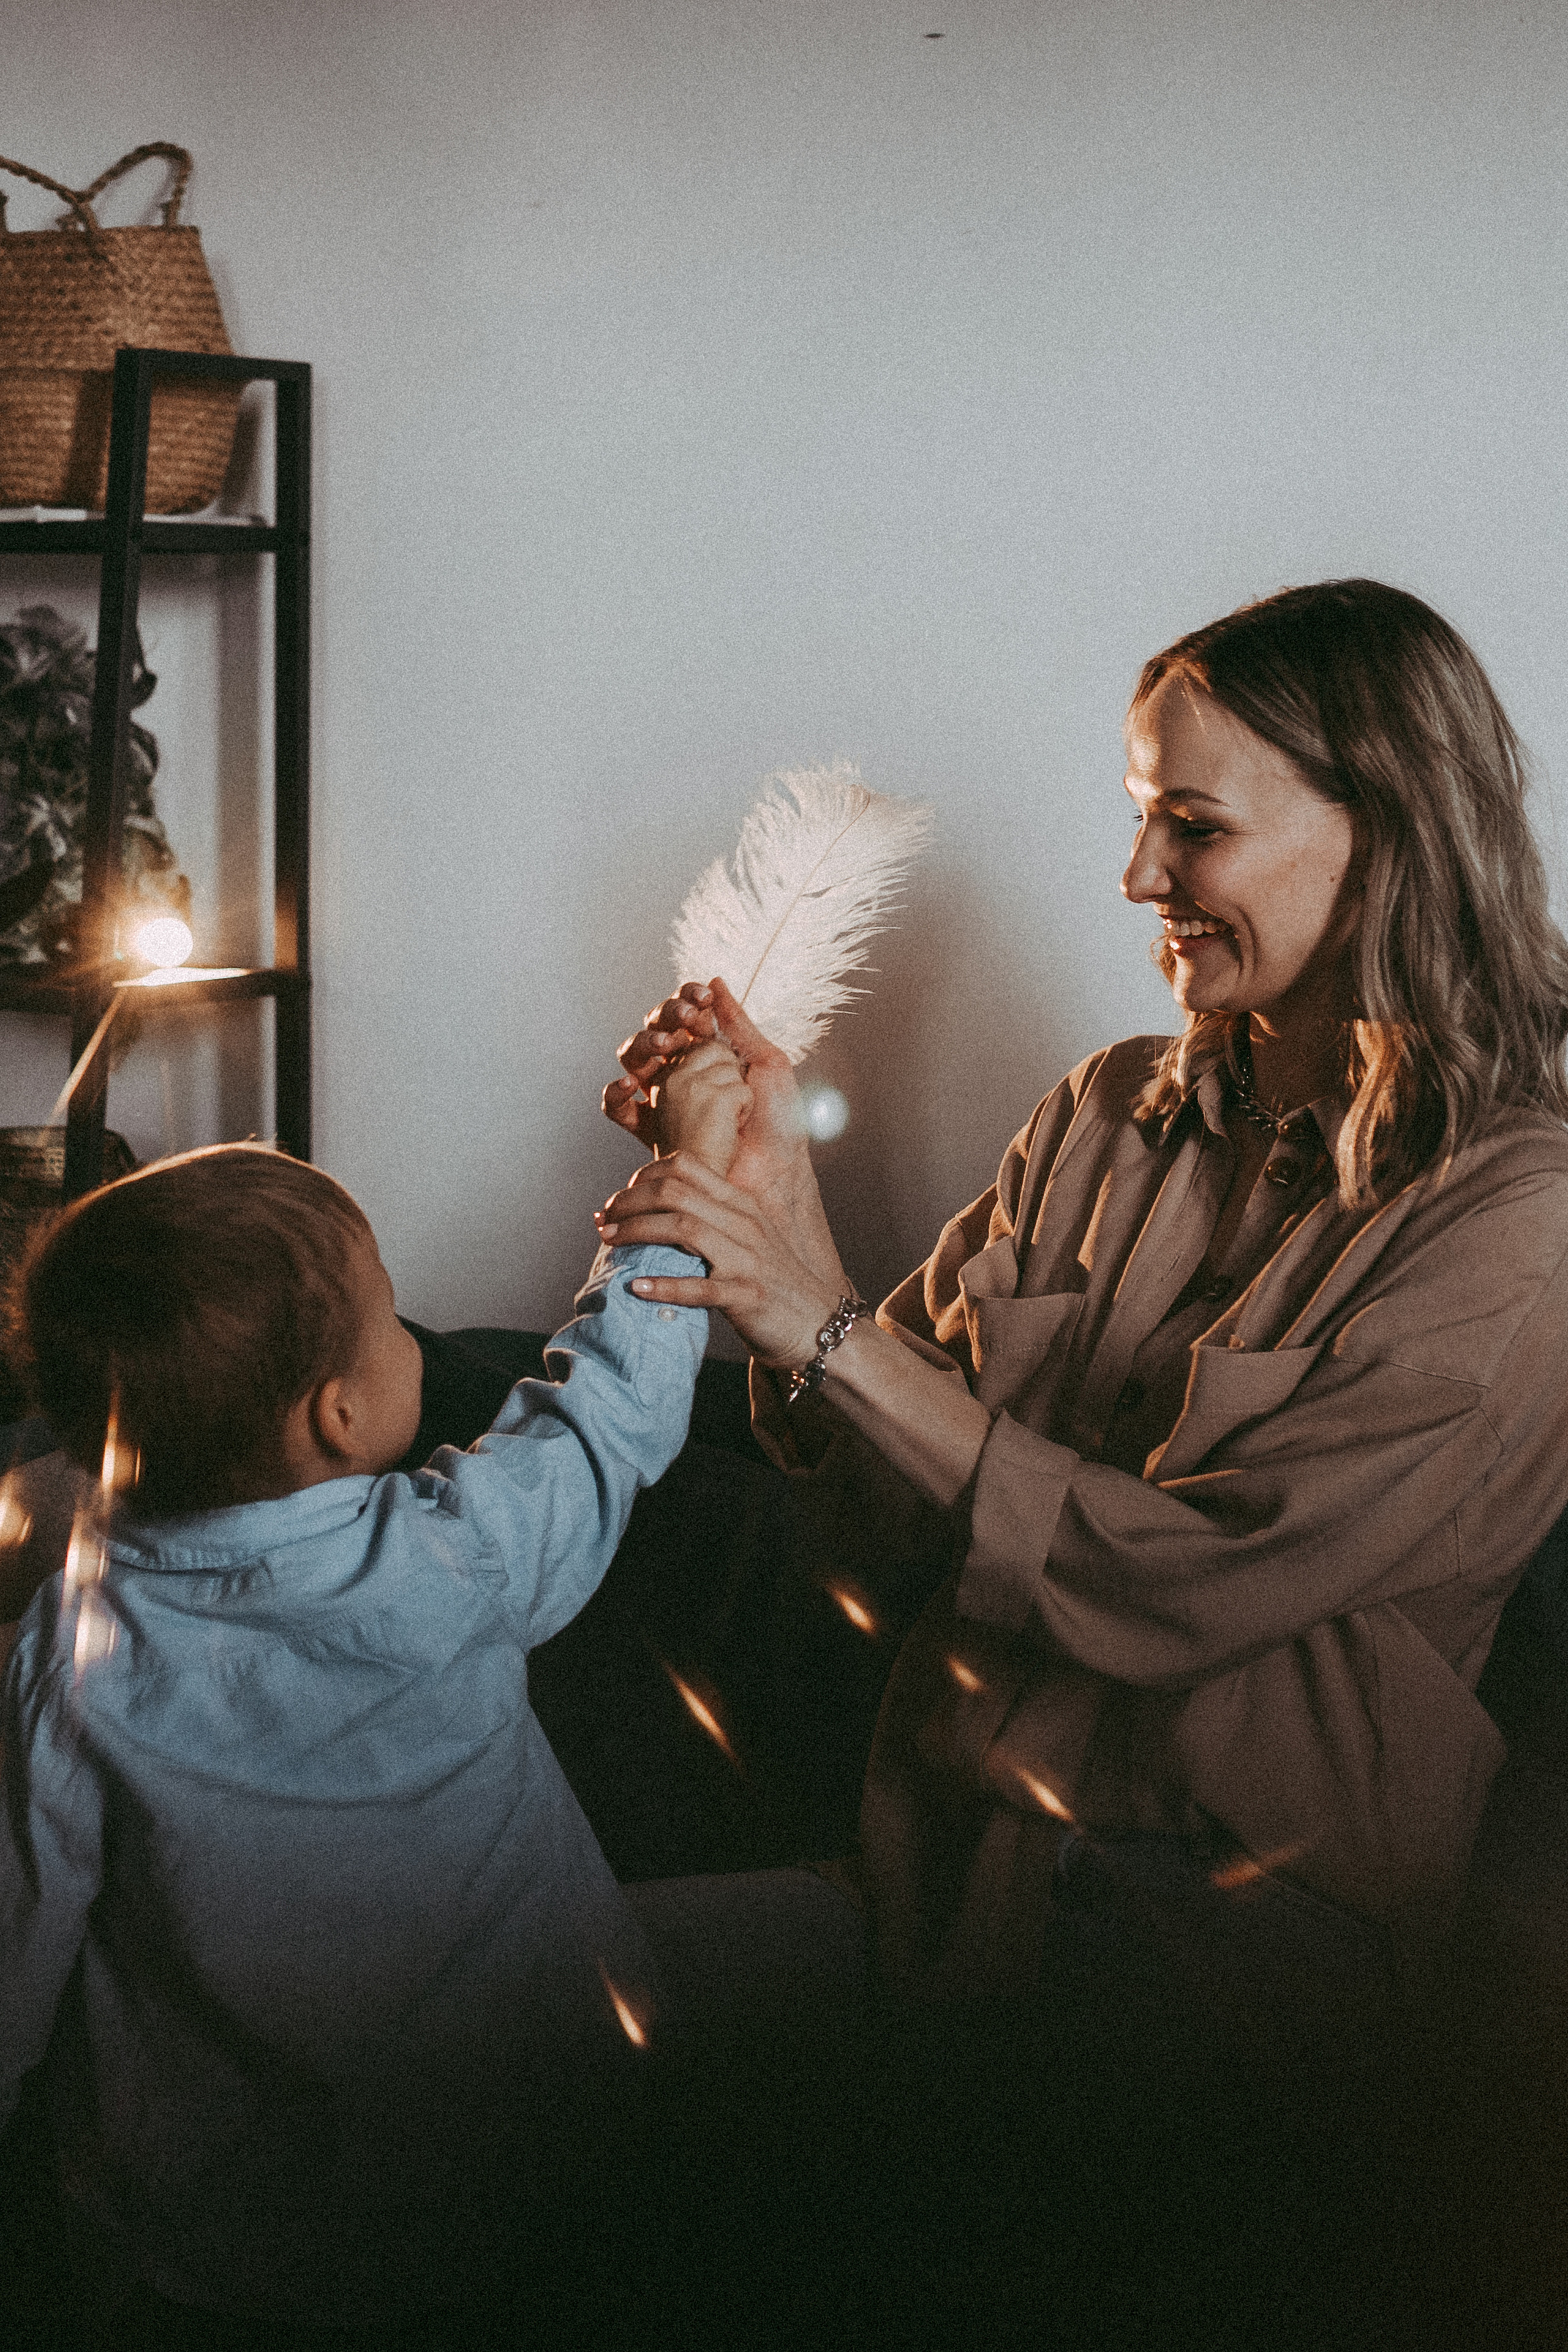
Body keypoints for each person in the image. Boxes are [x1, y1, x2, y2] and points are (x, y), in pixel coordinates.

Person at [597, 578, 1568, 2054]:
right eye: (1138, 815)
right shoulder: (1105, 1112)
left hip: (1231, 1930)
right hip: (945, 1857)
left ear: (1383, 839)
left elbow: (1187, 1585)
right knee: (504, 2012)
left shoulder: (1517, 1217)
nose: (1133, 875)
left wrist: (819, 1322)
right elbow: (880, 1503)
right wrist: (772, 1202)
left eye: (1194, 825)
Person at [0, 1039, 810, 2333]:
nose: (408, 1330)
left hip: (218, 2235)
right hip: (511, 2166)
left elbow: (22, 1927)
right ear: (334, 1414)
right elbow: (604, 1415)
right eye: (389, 1315)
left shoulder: (65, 1636)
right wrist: (682, 1173)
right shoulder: (446, 1556)